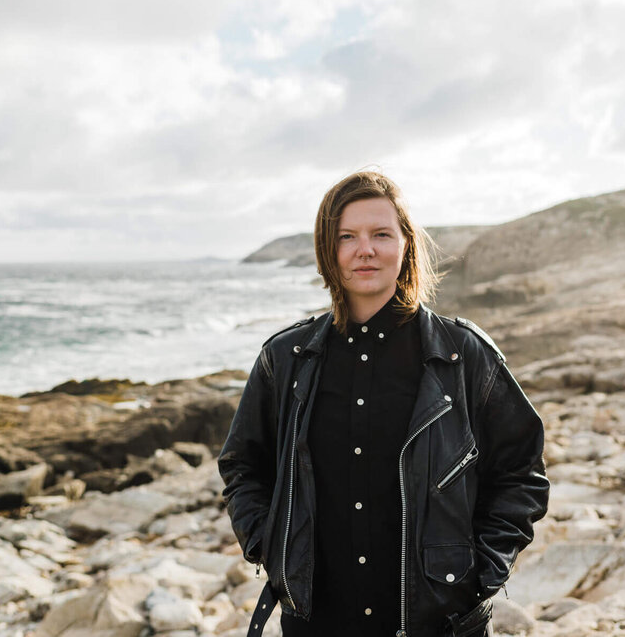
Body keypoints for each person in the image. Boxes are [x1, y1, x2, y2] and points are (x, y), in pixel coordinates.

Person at [218, 171, 549, 637]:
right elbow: (242, 466)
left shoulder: (461, 354)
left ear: (405, 245)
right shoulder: (286, 359)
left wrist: (480, 574)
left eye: (380, 234)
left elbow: (522, 471)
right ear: (327, 250)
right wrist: (270, 547)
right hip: (317, 623)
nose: (364, 249)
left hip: (441, 622)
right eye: (347, 236)